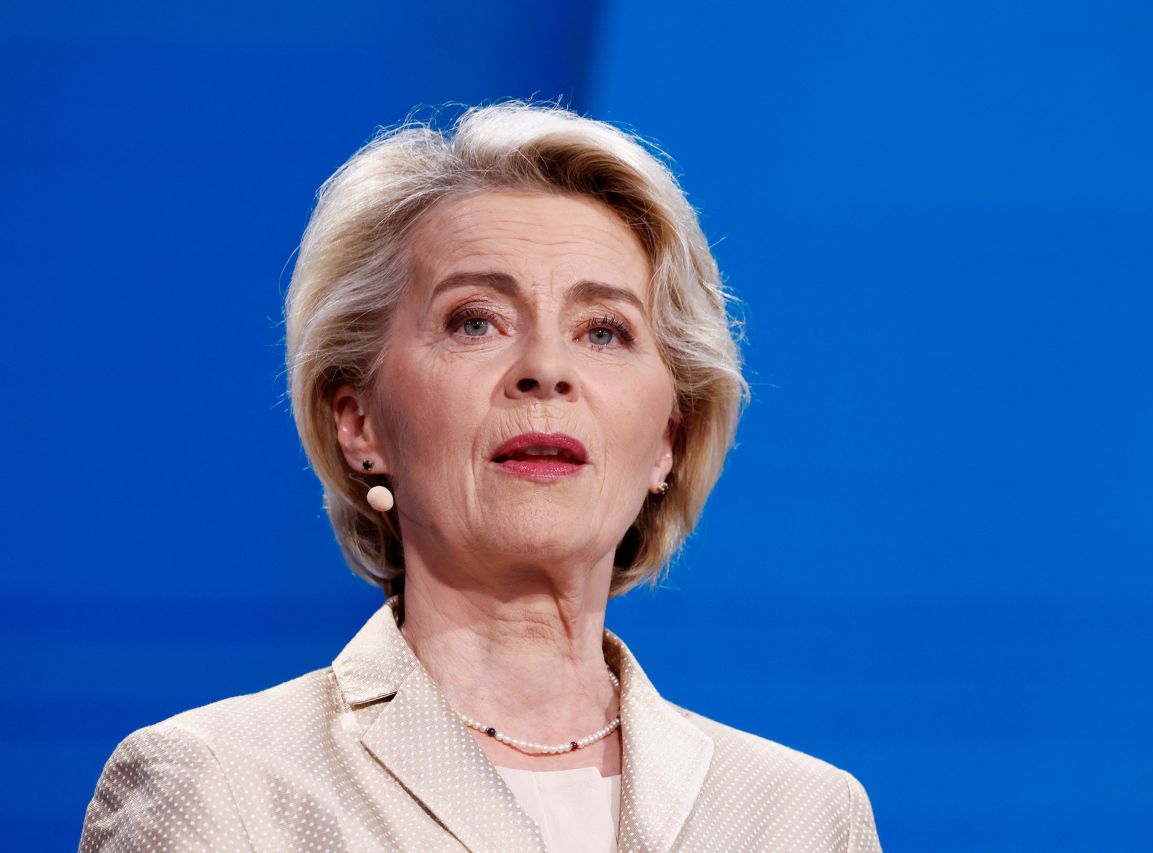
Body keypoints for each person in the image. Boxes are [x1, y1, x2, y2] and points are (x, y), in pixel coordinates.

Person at [80, 101, 882, 852]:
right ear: (357, 421)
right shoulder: (222, 786)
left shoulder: (803, 816)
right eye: (475, 321)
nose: (545, 369)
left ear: (669, 437)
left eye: (603, 331)